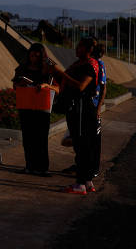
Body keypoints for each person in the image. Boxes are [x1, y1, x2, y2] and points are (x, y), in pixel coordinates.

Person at [12, 43, 61, 176]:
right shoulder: (21, 69)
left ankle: (42, 168)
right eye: (32, 55)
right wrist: (19, 84)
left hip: (42, 108)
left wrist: (47, 86)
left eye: (37, 56)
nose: (33, 58)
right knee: (28, 138)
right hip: (26, 106)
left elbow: (58, 89)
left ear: (42, 57)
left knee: (41, 139)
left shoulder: (48, 70)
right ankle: (29, 166)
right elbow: (15, 86)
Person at [60, 37, 99, 195]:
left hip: (82, 109)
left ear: (88, 49)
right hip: (77, 109)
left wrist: (60, 73)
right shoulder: (80, 64)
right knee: (82, 146)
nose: (76, 49)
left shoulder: (89, 65)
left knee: (82, 146)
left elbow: (81, 86)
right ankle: (88, 181)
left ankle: (80, 184)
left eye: (80, 47)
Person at [91, 41, 107, 176]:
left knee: (94, 140)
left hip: (94, 106)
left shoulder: (99, 65)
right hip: (88, 106)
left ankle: (94, 169)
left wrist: (98, 107)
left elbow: (103, 88)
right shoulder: (92, 63)